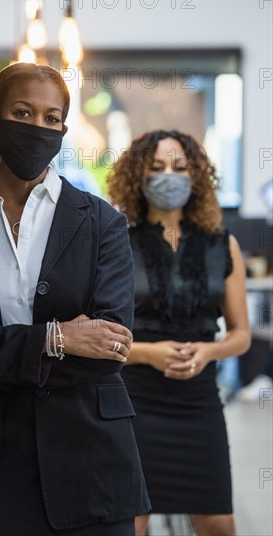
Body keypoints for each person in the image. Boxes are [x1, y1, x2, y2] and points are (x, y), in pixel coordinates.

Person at [0, 63, 150, 535]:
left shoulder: (102, 223)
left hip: (88, 460)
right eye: (23, 112)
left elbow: (110, 348)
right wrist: (56, 337)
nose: (39, 127)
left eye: (52, 118)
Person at [107, 130, 251, 536]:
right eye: (156, 168)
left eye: (179, 167)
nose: (169, 176)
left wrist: (208, 352)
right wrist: (148, 353)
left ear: (197, 176)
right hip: (135, 402)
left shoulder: (224, 245)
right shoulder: (117, 243)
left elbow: (240, 334)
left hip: (199, 402)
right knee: (130, 523)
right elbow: (98, 335)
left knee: (220, 524)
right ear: (138, 176)